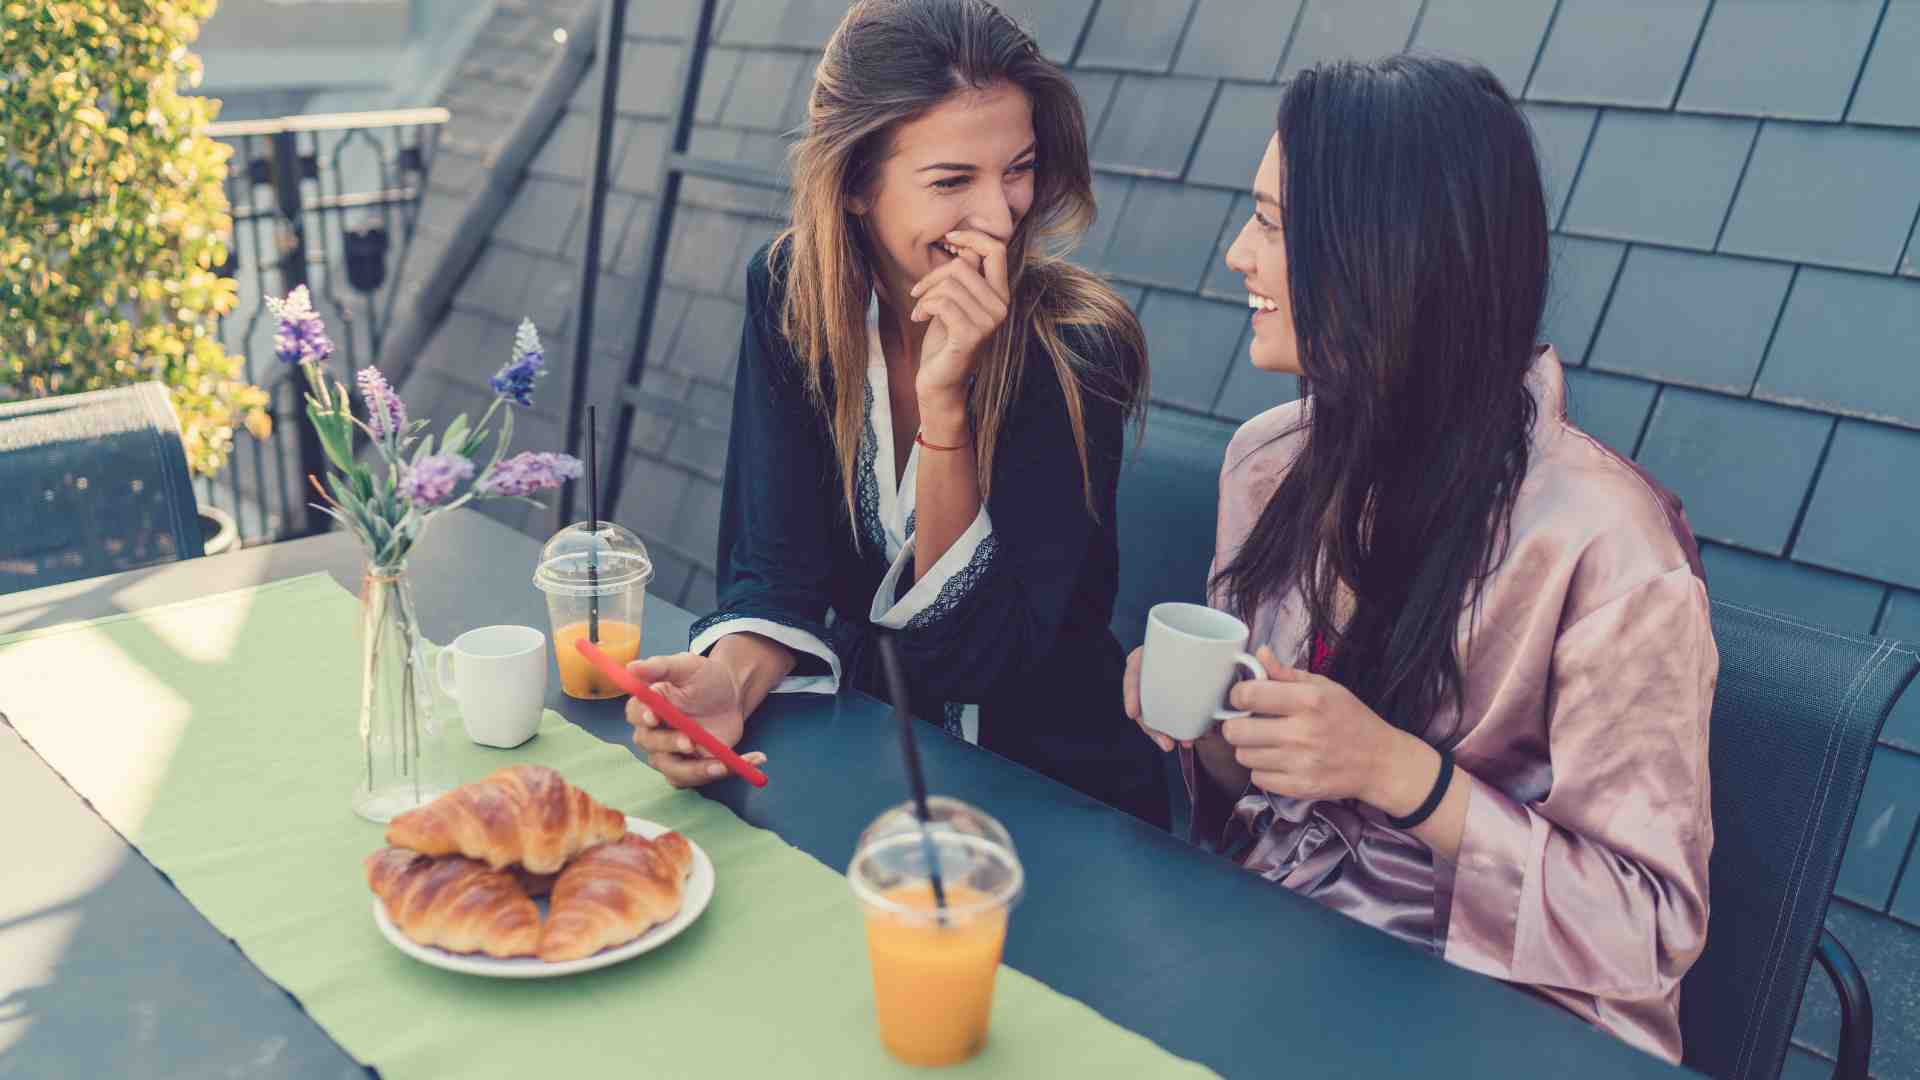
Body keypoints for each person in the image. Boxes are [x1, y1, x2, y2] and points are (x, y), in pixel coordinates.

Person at [1123, 55, 1716, 1063]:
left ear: (1384, 253)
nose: (1236, 254)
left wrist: (1400, 773)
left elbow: (1647, 930)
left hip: (1503, 1020)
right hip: (1284, 961)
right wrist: (1212, 730)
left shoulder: (1608, 547)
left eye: (1272, 223)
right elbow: (1251, 811)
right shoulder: (1268, 466)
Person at [623, 0, 1169, 828]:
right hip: (869, 750)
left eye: (1017, 167)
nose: (998, 215)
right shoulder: (790, 294)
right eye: (952, 181)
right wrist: (726, 686)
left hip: (1052, 789)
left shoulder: (1076, 347)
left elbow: (976, 657)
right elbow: (777, 563)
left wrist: (947, 406)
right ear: (851, 186)